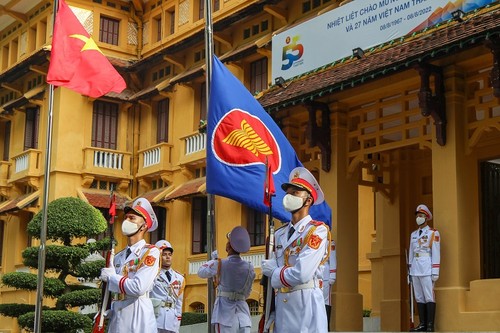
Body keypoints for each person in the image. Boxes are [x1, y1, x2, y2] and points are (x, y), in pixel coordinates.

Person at [261, 166, 330, 333]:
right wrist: (269, 310)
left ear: (308, 200)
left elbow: (302, 273)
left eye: (295, 193)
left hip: (306, 305)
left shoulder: (317, 231)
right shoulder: (279, 234)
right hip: (283, 307)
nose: (288, 197)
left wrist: (275, 272)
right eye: (288, 193)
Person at [100, 197, 160, 333]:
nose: (127, 221)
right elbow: (112, 289)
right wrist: (106, 309)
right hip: (118, 315)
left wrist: (112, 278)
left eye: (132, 218)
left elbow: (138, 288)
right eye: (126, 218)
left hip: (138, 315)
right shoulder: (119, 256)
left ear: (144, 226)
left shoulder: (150, 252)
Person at [198, 226, 256, 333]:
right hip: (243, 316)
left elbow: (201, 272)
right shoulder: (250, 267)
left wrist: (213, 261)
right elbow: (247, 292)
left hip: (225, 316)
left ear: (228, 246)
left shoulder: (220, 264)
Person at [409, 204, 441, 332]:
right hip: (415, 269)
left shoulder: (433, 233)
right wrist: (409, 271)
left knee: (429, 296)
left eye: (421, 216)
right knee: (419, 296)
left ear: (427, 218)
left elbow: (436, 252)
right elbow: (411, 252)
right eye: (417, 216)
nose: (418, 218)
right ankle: (422, 324)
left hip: (427, 268)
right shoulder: (414, 234)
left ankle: (430, 325)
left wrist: (435, 270)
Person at [151, 240, 185, 333]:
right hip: (155, 319)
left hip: (171, 321)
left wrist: (177, 323)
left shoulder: (179, 278)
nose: (167, 257)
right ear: (158, 256)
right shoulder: (152, 275)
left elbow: (179, 302)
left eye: (169, 254)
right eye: (164, 254)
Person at [323, 236, 337, 331]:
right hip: (315, 277)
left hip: (326, 277)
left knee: (326, 302)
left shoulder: (329, 243)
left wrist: (332, 275)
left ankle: (326, 327)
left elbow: (332, 259)